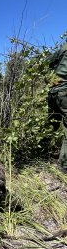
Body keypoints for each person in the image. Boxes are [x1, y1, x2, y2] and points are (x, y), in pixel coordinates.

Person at [47, 41, 67, 173]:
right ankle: (64, 166)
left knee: (51, 123)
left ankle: (41, 152)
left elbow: (49, 62)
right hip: (65, 91)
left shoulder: (64, 46)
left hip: (53, 90)